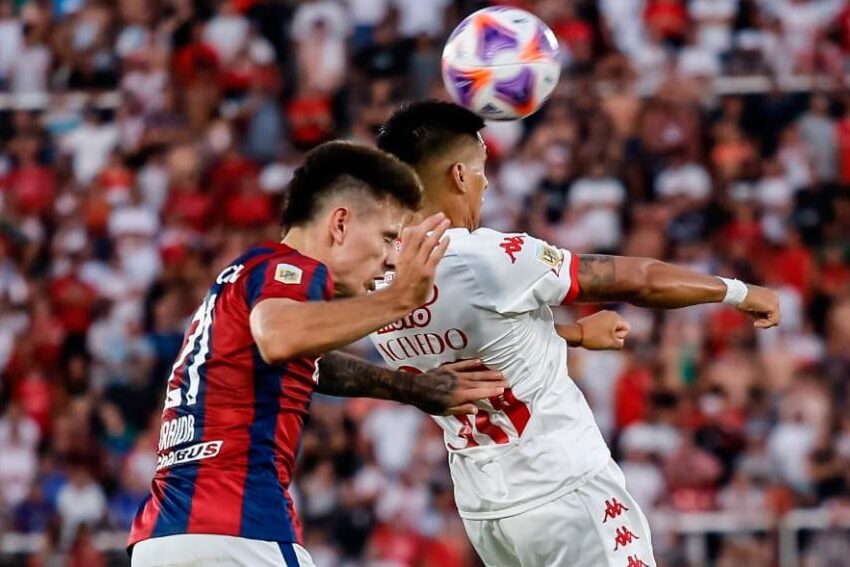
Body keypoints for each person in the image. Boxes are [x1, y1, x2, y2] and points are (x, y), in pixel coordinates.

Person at [370, 100, 781, 567]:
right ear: (460, 175)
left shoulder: (376, 276)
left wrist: (573, 335)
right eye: (482, 170)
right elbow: (638, 279)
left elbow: (471, 348)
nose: (486, 184)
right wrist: (738, 291)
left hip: (487, 510)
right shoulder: (485, 257)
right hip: (565, 490)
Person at [127, 141, 510, 566]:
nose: (389, 261)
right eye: (386, 238)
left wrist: (411, 388)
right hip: (239, 531)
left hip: (164, 538)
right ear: (341, 223)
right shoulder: (291, 269)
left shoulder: (247, 274)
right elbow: (279, 337)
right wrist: (400, 299)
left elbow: (309, 362)